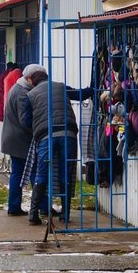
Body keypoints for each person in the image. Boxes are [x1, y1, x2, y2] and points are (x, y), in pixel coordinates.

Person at [22, 68, 93, 225]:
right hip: (69, 134)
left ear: (33, 81)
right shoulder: (61, 87)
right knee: (65, 173)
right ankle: (65, 215)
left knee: (42, 173)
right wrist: (93, 88)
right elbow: (80, 94)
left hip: (46, 135)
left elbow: (26, 121)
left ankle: (33, 215)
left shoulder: (31, 94)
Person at [0, 63, 39, 216]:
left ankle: (14, 206)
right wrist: (37, 131)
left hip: (13, 138)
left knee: (19, 173)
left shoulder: (17, 88)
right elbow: (25, 121)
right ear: (29, 78)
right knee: (32, 173)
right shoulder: (23, 93)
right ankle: (36, 206)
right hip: (20, 140)